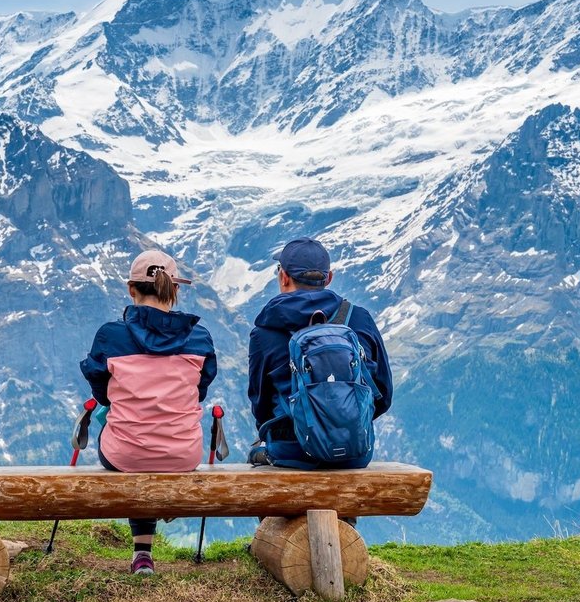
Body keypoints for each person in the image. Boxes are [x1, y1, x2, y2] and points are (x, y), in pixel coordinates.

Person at [80, 250, 217, 575]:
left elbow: (101, 393)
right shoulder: (199, 337)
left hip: (124, 455)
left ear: (131, 290)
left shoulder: (110, 335)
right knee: (153, 438)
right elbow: (200, 390)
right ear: (175, 289)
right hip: (184, 455)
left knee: (129, 438)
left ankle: (143, 553)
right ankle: (160, 517)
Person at [247, 237, 392, 471]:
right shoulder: (359, 319)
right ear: (329, 278)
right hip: (354, 452)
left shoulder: (265, 332)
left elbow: (260, 403)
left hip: (292, 452)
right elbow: (383, 394)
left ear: (283, 277)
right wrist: (341, 427)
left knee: (257, 457)